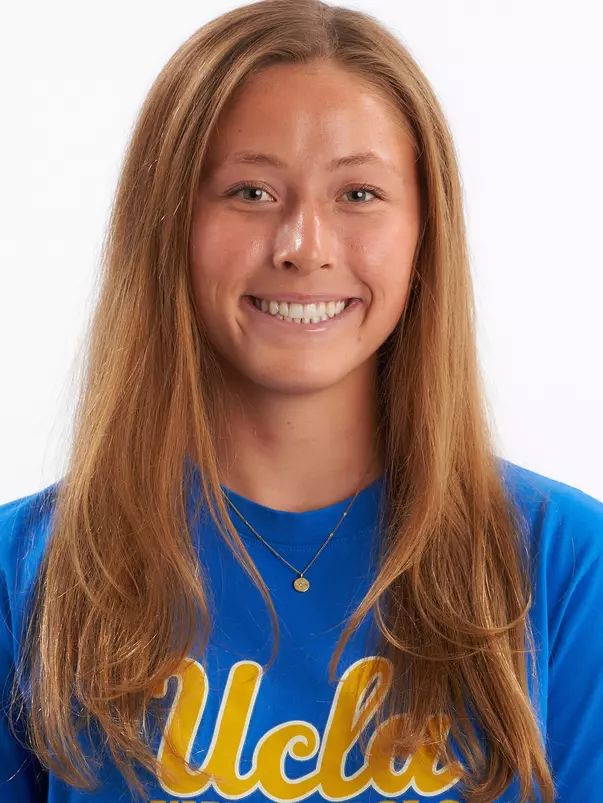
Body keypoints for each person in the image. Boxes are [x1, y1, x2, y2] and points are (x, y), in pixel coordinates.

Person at [1, 0, 602, 801]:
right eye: (249, 191)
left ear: (424, 232)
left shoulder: (562, 561)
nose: (303, 246)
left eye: (358, 195)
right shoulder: (29, 571)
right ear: (166, 226)